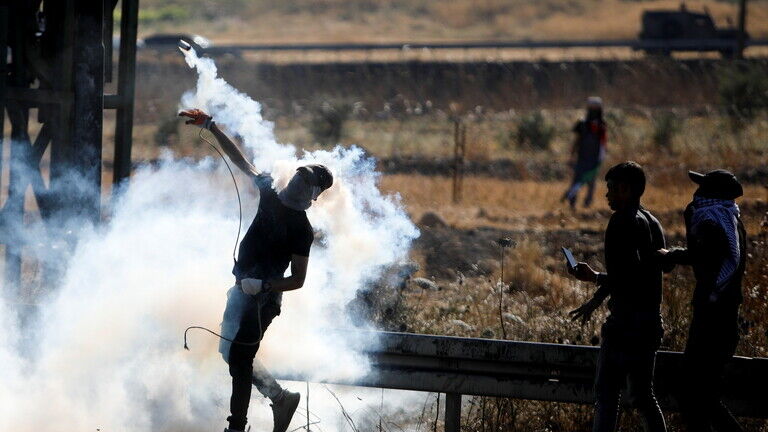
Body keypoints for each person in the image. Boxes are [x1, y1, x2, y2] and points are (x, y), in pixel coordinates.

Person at [179, 108, 334, 432]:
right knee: (228, 351)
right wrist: (212, 127)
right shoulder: (270, 192)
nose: (298, 182)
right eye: (299, 175)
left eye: (306, 182)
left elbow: (298, 280)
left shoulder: (302, 230)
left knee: (240, 359)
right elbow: (242, 162)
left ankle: (237, 426)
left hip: (263, 300)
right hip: (241, 288)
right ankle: (280, 397)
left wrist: (262, 288)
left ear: (314, 194)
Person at [567, 161, 667, 432]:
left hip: (624, 324)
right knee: (644, 397)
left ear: (625, 189)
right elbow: (639, 274)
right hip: (649, 323)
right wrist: (597, 283)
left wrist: (594, 293)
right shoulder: (653, 222)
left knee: (607, 395)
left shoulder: (621, 220)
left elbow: (624, 276)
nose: (607, 194)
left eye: (611, 188)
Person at [657, 169, 746, 432]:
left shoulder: (711, 219)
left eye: (702, 189)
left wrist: (671, 254)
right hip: (723, 314)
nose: (696, 194)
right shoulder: (730, 218)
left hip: (713, 316)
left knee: (695, 394)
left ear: (712, 194)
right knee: (701, 395)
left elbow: (703, 255)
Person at [562, 96, 608, 209]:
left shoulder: (601, 126)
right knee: (578, 180)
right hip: (582, 158)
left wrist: (601, 158)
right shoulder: (582, 124)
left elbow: (603, 143)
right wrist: (572, 155)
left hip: (594, 159)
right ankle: (572, 202)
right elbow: (576, 141)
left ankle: (587, 204)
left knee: (590, 181)